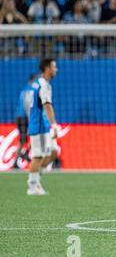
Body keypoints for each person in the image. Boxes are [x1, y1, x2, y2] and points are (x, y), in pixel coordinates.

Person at [27, 58, 60, 196]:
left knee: (54, 151)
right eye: (54, 66)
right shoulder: (43, 85)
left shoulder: (38, 84)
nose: (56, 69)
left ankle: (37, 181)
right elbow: (47, 105)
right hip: (40, 127)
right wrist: (54, 124)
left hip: (42, 126)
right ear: (47, 68)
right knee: (38, 157)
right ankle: (32, 187)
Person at [13, 74, 36, 168]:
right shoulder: (31, 90)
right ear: (33, 80)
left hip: (18, 117)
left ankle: (17, 160)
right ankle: (24, 153)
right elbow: (27, 105)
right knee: (34, 135)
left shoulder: (24, 89)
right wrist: (31, 118)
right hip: (24, 117)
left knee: (23, 139)